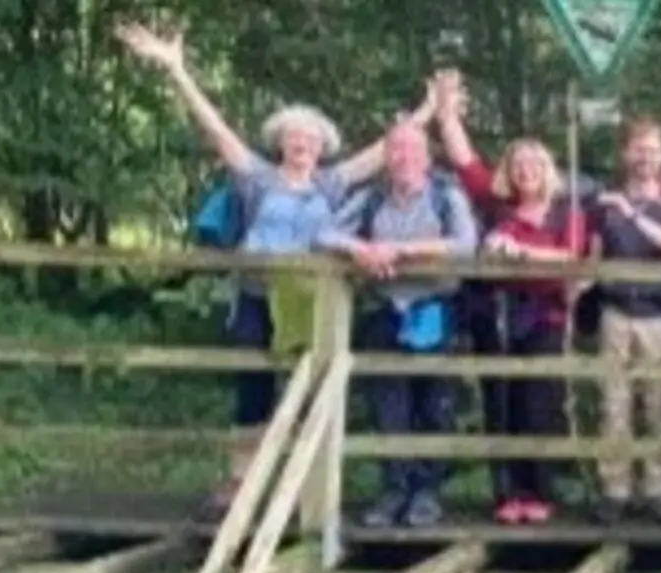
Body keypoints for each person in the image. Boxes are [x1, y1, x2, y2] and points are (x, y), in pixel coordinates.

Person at [114, 22, 441, 521]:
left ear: (322, 145)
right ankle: (243, 482)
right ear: (280, 143)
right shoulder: (256, 178)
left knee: (307, 388)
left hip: (311, 299)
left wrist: (428, 110)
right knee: (252, 386)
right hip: (254, 293)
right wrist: (176, 68)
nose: (301, 144)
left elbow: (386, 150)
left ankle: (299, 485)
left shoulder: (332, 185)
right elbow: (217, 130)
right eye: (292, 137)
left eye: (309, 138)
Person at [435, 70, 591, 526]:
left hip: (543, 317)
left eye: (533, 164)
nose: (525, 171)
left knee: (537, 404)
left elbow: (570, 259)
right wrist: (445, 109)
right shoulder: (497, 206)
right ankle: (505, 493)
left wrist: (521, 252)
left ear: (547, 171)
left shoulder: (567, 212)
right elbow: (463, 158)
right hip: (497, 315)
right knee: (499, 401)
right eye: (518, 164)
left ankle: (537, 490)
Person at [316, 124, 481, 527]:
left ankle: (426, 492)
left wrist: (401, 250)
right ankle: (394, 489)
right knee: (388, 406)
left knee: (434, 404)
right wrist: (360, 250)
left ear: (426, 157)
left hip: (435, 310)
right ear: (387, 157)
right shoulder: (371, 198)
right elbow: (322, 233)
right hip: (385, 310)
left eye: (412, 149)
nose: (404, 157)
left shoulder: (447, 196)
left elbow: (464, 245)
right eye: (396, 149)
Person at [589, 117, 661, 523]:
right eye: (639, 148)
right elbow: (595, 255)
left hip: (659, 315)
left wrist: (632, 213)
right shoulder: (604, 204)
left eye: (653, 150)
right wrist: (579, 283)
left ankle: (658, 489)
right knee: (614, 404)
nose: (646, 157)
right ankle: (616, 489)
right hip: (616, 312)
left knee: (659, 405)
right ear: (626, 153)